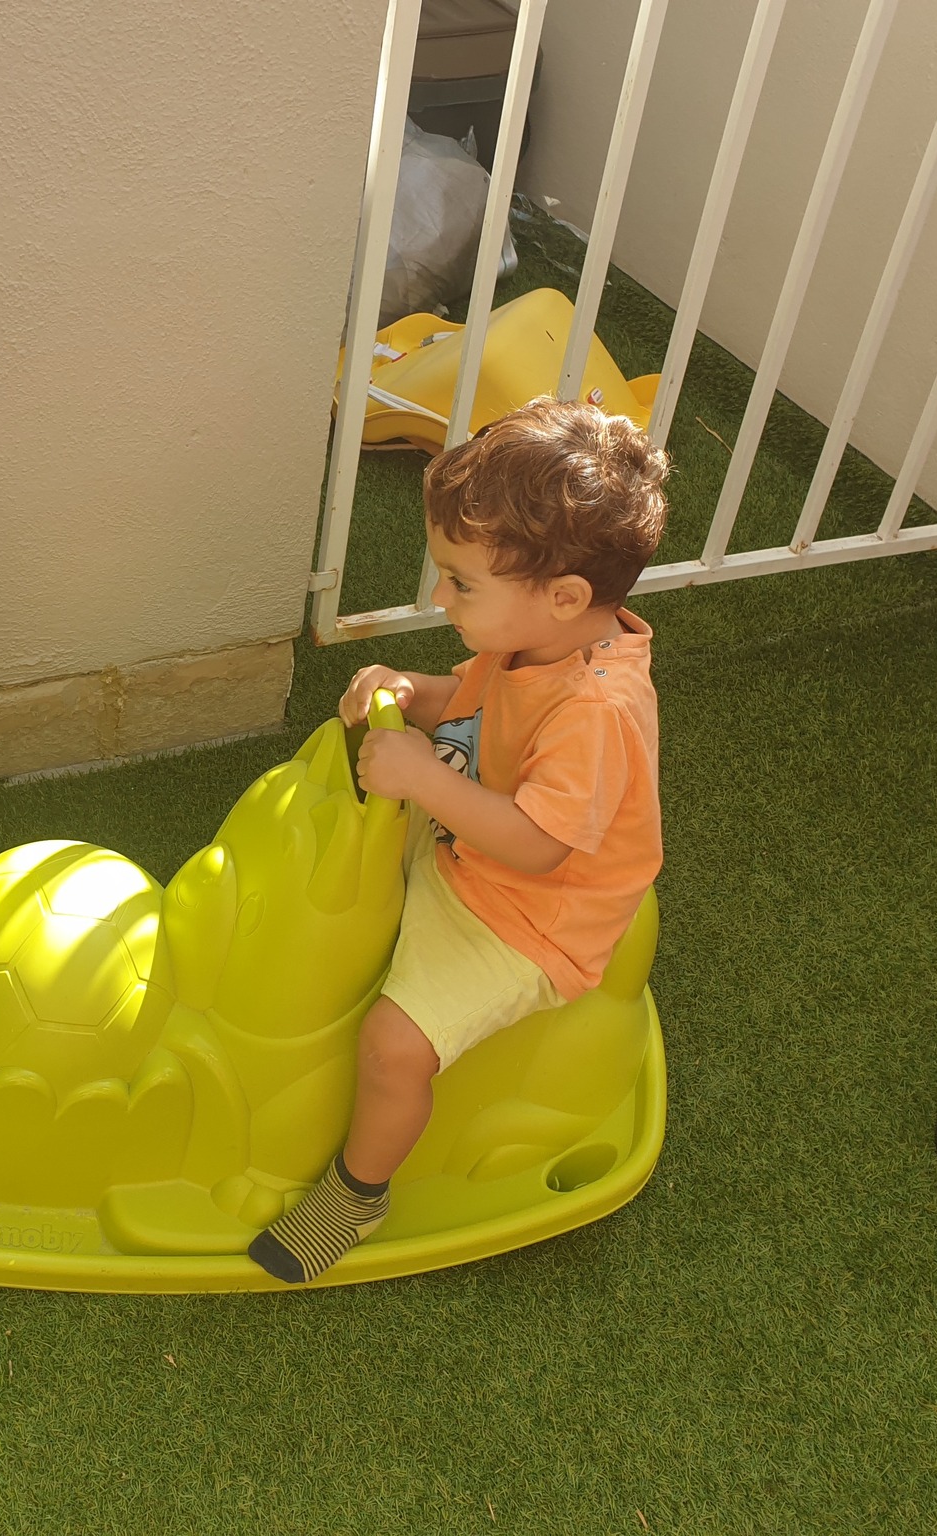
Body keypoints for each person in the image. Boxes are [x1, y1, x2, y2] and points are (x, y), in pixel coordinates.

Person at [250, 397, 668, 1282]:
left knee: (394, 1045)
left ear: (564, 597)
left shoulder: (597, 709)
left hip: (525, 910)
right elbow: (476, 699)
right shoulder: (534, 641)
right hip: (470, 837)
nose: (440, 597)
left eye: (461, 583)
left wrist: (427, 780)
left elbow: (540, 847)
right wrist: (413, 688)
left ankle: (359, 1195)